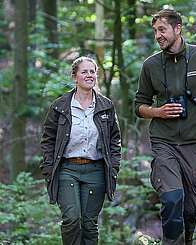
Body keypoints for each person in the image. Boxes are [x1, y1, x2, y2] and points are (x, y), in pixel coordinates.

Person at [134, 9, 196, 244]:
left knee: (191, 210)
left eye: (162, 29)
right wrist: (158, 112)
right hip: (164, 142)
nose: (158, 35)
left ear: (178, 29)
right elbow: (138, 105)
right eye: (155, 31)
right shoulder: (151, 65)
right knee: (171, 198)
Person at [40, 56, 122, 245]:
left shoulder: (106, 106)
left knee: (89, 223)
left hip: (96, 171)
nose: (89, 75)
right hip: (67, 170)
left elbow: (115, 140)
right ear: (74, 77)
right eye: (84, 71)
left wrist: (114, 167)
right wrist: (48, 169)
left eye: (92, 71)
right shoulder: (60, 106)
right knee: (72, 219)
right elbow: (48, 140)